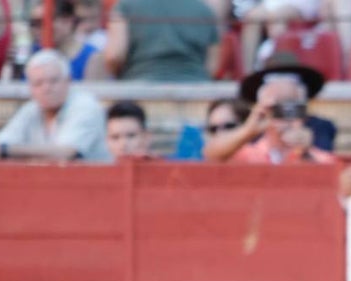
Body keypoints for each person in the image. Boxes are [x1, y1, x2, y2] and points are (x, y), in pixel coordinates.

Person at [0, 49, 108, 162]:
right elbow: (2, 143)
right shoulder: (31, 109)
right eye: (38, 83)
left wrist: (6, 151)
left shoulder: (85, 106)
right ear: (30, 88)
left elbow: (66, 153)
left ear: (68, 80)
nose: (46, 88)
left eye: (53, 81)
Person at [204, 74, 336, 164]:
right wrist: (249, 129)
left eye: (291, 107)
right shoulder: (249, 154)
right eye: (276, 109)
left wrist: (305, 153)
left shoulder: (320, 157)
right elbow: (211, 155)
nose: (283, 116)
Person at [236, 52, 336, 151]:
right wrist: (248, 132)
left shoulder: (320, 127)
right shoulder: (253, 127)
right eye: (277, 105)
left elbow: (326, 158)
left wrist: (309, 146)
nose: (284, 111)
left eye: (289, 102)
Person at [103, 0, 220, 82]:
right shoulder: (204, 10)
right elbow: (213, 66)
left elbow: (114, 56)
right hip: (197, 89)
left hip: (139, 86)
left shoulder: (125, 5)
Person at [30, 0, 105, 80]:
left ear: (68, 21)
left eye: (42, 22)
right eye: (33, 23)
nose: (37, 29)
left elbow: (92, 91)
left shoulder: (92, 58)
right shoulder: (32, 53)